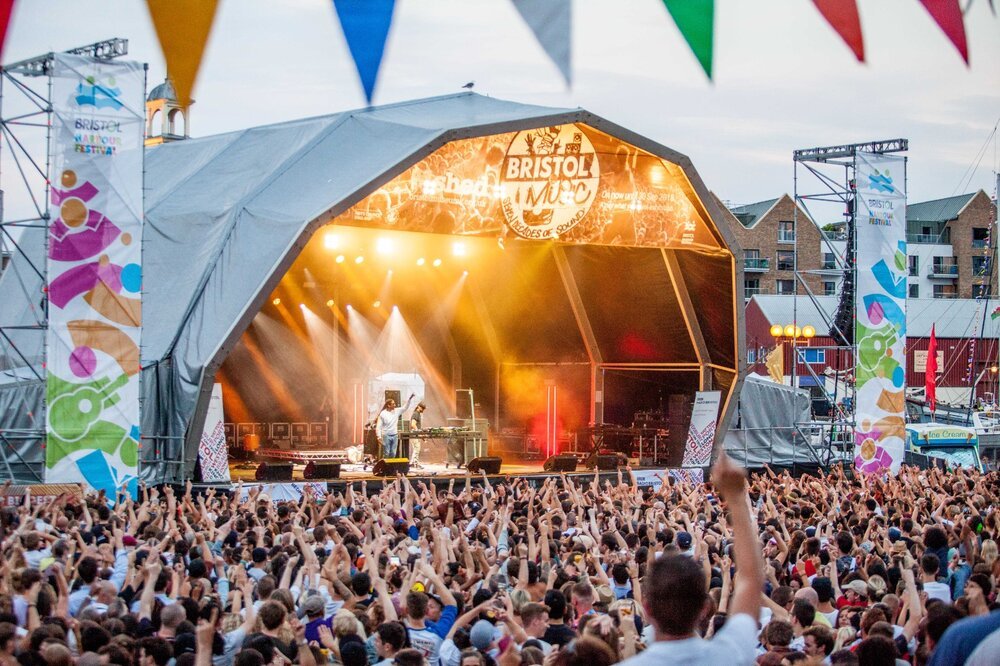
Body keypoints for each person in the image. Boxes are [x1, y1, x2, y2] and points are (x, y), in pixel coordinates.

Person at [619, 452, 764, 665]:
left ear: (647, 608)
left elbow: (751, 580)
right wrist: (735, 497)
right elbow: (751, 580)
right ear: (704, 608)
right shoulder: (730, 654)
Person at [375, 394, 415, 459]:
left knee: (393, 453)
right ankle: (385, 467)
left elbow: (405, 408)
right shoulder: (383, 413)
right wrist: (378, 436)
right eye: (393, 404)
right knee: (386, 453)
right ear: (388, 405)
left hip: (395, 435)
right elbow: (378, 426)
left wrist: (409, 399)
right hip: (386, 435)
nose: (395, 405)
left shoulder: (396, 411)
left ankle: (391, 467)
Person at [408, 402, 427, 469]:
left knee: (416, 448)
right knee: (417, 448)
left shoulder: (418, 414)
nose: (423, 410)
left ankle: (412, 463)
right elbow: (413, 424)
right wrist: (418, 432)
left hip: (415, 434)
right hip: (414, 434)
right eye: (422, 408)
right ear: (418, 406)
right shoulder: (416, 414)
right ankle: (415, 464)